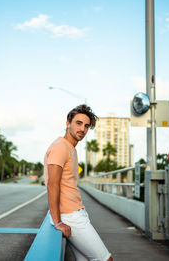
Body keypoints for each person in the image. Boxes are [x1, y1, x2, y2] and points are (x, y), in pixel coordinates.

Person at [44, 104, 112, 261]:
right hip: (70, 216)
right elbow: (52, 185)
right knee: (105, 259)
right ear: (68, 123)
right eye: (78, 123)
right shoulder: (60, 147)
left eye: (86, 125)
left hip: (75, 213)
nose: (83, 129)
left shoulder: (70, 148)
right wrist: (57, 222)